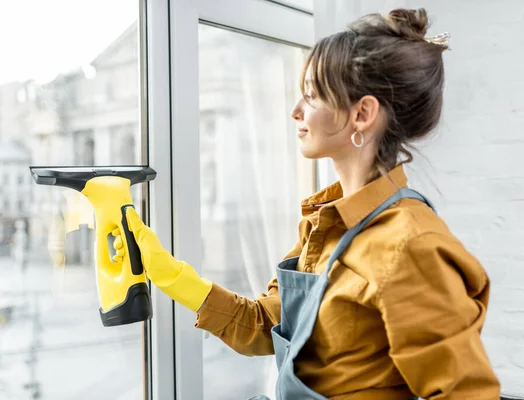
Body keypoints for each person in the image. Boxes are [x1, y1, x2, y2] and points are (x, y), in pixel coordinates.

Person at [113, 8, 500, 400]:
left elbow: (466, 393)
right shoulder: (324, 222)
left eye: (312, 95)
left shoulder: (409, 245)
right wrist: (172, 276)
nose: (296, 110)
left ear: (362, 114)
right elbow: (268, 325)